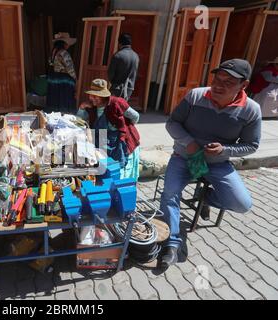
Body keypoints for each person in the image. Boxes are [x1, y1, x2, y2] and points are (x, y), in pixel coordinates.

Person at [160, 59, 262, 268]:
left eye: (229, 82)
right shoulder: (196, 96)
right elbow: (173, 123)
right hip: (184, 157)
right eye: (217, 78)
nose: (219, 85)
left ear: (244, 85)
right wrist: (188, 143)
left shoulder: (251, 110)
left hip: (217, 163)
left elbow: (251, 145)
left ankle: (205, 197)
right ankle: (172, 242)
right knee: (170, 193)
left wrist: (226, 150)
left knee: (242, 204)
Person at [76, 79, 140, 180]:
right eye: (91, 95)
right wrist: (82, 108)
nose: (92, 98)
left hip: (118, 140)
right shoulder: (91, 106)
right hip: (103, 139)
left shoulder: (117, 103)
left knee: (117, 169)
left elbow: (136, 117)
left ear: (103, 96)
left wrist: (125, 126)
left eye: (95, 95)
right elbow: (78, 121)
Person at [46, 32, 77, 114]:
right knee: (64, 99)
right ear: (64, 43)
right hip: (63, 80)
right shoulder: (64, 53)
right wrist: (75, 80)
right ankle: (64, 115)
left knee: (55, 99)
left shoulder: (53, 52)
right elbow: (70, 68)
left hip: (54, 78)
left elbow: (51, 64)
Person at [107, 33, 139, 101]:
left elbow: (110, 74)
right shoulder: (136, 56)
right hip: (129, 89)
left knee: (112, 108)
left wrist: (113, 83)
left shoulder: (118, 55)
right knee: (122, 108)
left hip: (117, 88)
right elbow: (135, 74)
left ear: (120, 43)